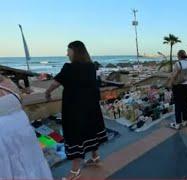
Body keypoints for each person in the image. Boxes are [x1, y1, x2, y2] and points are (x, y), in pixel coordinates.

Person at [46, 41, 107, 180]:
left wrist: (47, 92)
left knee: (75, 136)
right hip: (91, 107)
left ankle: (75, 172)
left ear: (75, 51)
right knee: (91, 130)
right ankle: (96, 157)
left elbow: (55, 83)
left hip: (75, 108)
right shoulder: (91, 66)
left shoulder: (69, 67)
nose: (67, 53)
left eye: (68, 51)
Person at [0, 75, 52, 179]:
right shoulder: (8, 83)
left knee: (12, 167)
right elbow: (20, 102)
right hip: (21, 127)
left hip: (6, 132)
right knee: (31, 162)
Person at [168, 50, 187, 130]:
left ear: (178, 56)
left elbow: (174, 75)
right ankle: (185, 120)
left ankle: (178, 123)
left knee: (177, 104)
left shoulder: (178, 63)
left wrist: (170, 84)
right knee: (184, 103)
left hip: (178, 86)